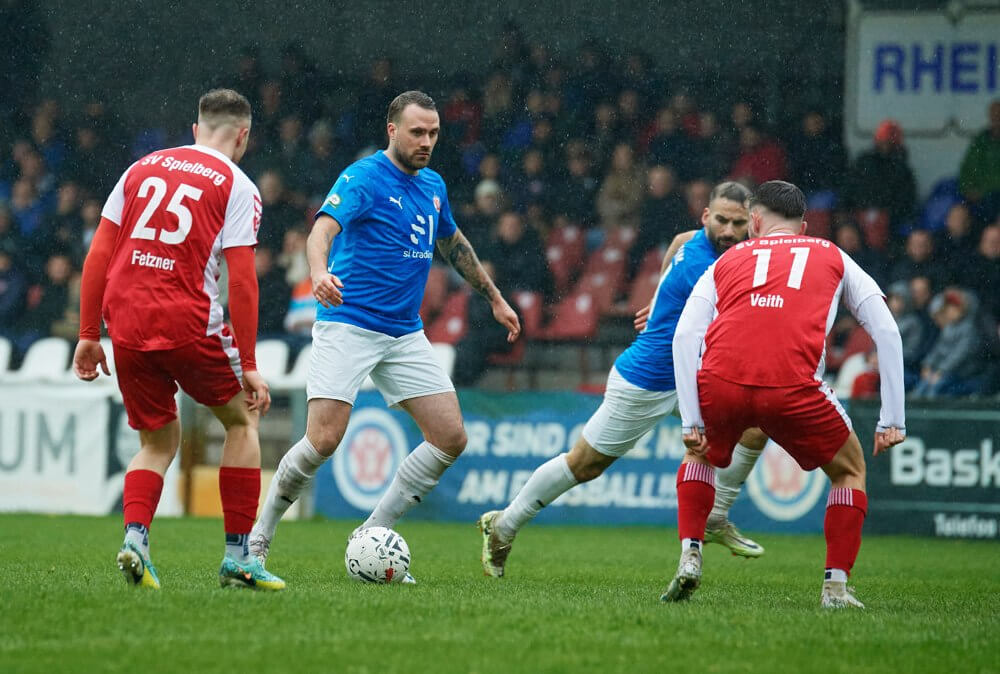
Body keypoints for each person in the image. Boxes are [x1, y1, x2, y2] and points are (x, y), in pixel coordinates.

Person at [249, 91, 520, 582]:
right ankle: (258, 540)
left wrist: (495, 298)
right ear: (392, 129)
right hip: (348, 321)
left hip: (403, 332)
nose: (427, 142)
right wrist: (318, 273)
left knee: (450, 437)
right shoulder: (363, 178)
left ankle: (372, 532)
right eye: (418, 132)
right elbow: (321, 232)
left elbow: (453, 244)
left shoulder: (433, 185)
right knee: (324, 439)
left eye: (434, 133)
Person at [478, 182, 770, 579]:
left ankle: (716, 517)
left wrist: (658, 295)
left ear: (749, 223)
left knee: (756, 426)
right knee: (584, 465)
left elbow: (679, 241)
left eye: (738, 223)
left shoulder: (697, 241)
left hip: (697, 378)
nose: (729, 231)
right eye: (721, 221)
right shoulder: (710, 266)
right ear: (706, 217)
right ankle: (503, 526)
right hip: (648, 377)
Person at [72, 89, 284, 591]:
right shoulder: (238, 184)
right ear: (244, 136)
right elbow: (243, 279)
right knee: (242, 418)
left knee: (157, 440)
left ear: (195, 130)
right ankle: (238, 556)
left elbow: (99, 255)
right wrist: (249, 362)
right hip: (188, 319)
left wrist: (87, 334)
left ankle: (135, 541)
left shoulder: (141, 168)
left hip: (125, 321)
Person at [668, 180, 906, 608]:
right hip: (793, 387)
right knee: (850, 470)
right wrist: (892, 420)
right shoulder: (833, 254)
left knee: (699, 453)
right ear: (804, 224)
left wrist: (691, 419)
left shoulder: (728, 259)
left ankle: (690, 555)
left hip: (724, 381)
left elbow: (685, 336)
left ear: (754, 221)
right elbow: (887, 330)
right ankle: (834, 588)